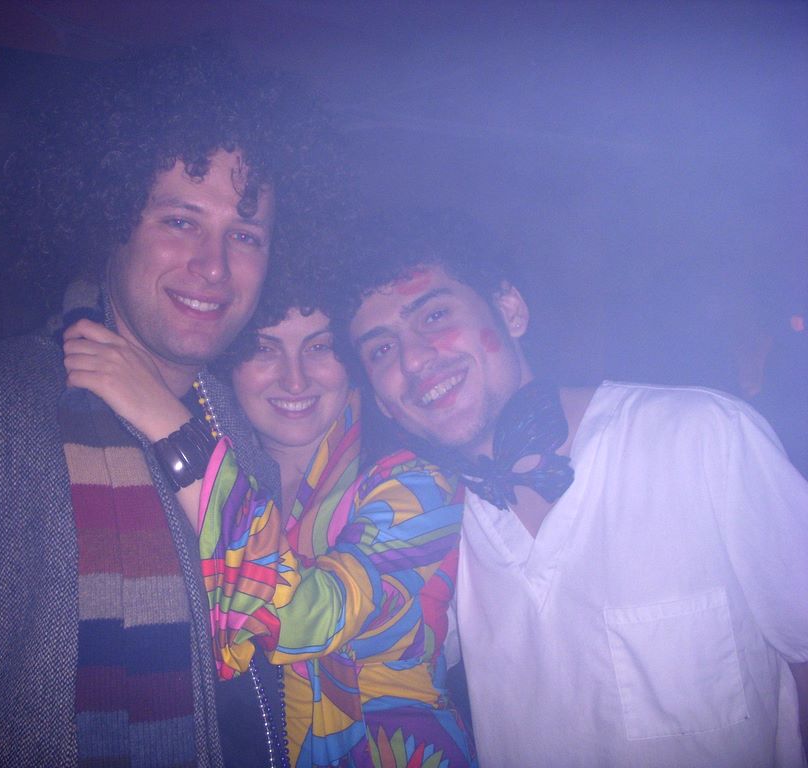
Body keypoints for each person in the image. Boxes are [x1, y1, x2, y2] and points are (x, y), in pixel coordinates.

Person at [0, 44, 341, 768]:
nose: (213, 266)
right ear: (108, 222)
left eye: (244, 235)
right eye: (179, 221)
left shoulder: (244, 432)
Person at [337, 217, 808, 768]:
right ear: (382, 401)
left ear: (510, 310)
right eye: (381, 350)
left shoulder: (703, 436)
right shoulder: (424, 526)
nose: (413, 360)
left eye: (435, 316)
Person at [65, 267, 478, 767]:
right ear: (229, 362)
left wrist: (164, 418)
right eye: (264, 348)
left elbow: (305, 619)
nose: (295, 378)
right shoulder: (221, 476)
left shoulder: (419, 484)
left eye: (320, 346)